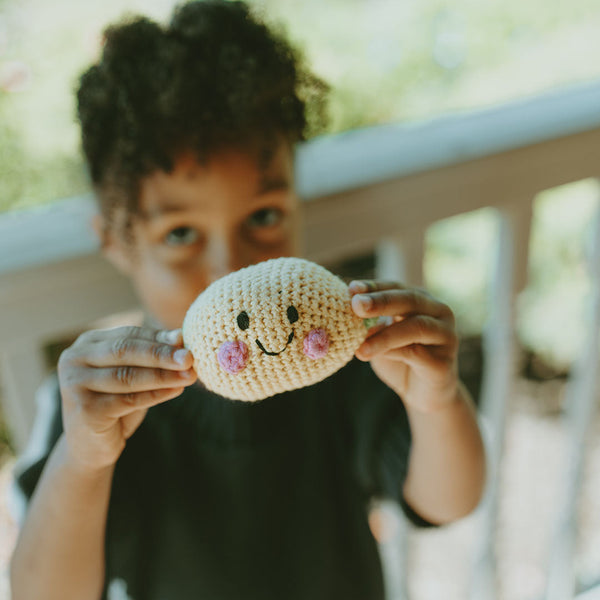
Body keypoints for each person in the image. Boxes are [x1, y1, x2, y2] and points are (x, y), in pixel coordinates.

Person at [9, 1, 486, 599]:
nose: (230, 268)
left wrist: (437, 401)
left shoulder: (348, 362)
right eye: (180, 234)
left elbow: (447, 503)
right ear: (118, 242)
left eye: (263, 217)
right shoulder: (98, 404)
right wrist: (83, 461)